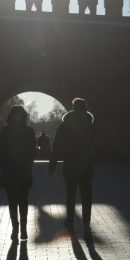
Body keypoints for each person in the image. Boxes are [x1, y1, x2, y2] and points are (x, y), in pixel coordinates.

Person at [49, 98, 95, 236]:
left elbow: (56, 146)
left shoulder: (64, 126)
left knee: (71, 194)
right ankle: (86, 225)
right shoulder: (90, 125)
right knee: (87, 195)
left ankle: (70, 221)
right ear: (85, 108)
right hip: (86, 165)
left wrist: (52, 165)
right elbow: (98, 145)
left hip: (70, 164)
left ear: (73, 107)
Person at [0, 105, 36, 241]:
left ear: (23, 116)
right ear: (12, 116)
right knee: (12, 201)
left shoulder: (28, 131)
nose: (17, 116)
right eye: (15, 114)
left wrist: (28, 163)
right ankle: (15, 228)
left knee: (23, 200)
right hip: (10, 169)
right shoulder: (6, 131)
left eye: (19, 114)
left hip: (23, 170)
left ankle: (23, 228)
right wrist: (2, 163)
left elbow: (32, 150)